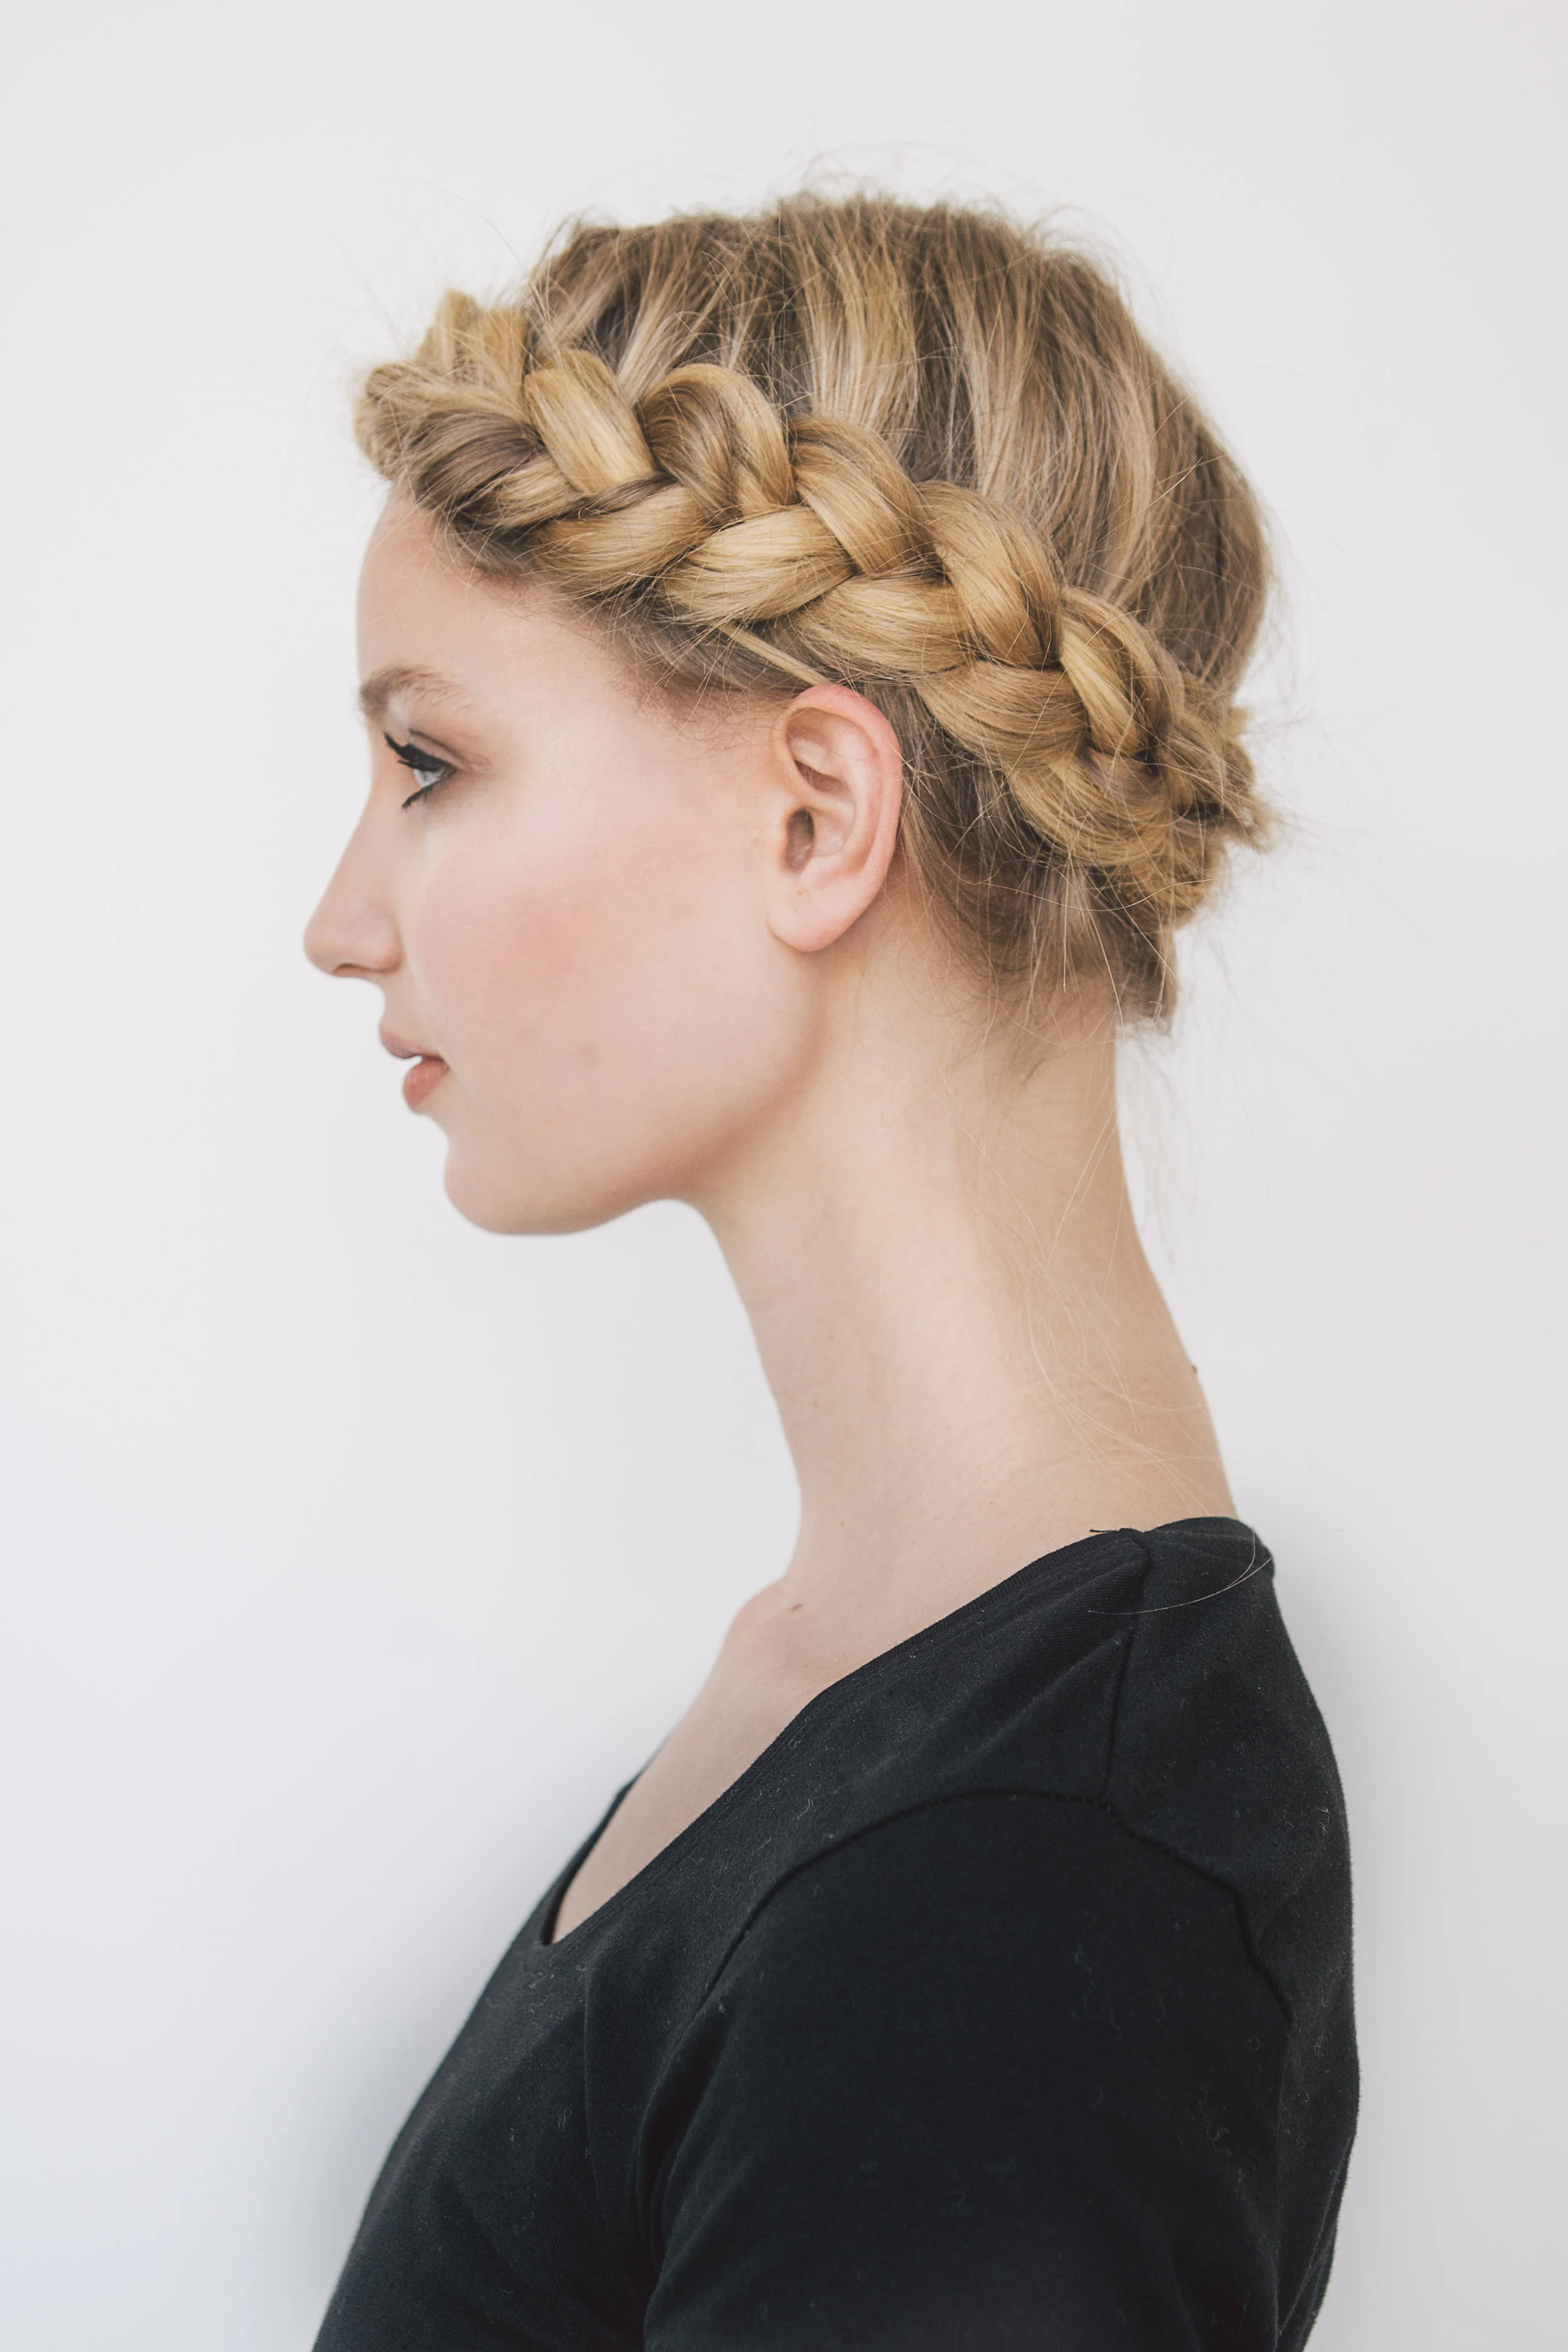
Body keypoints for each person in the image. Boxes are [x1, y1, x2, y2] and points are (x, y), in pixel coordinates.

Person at [304, 194, 1356, 2350]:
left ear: (815, 815)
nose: (342, 919)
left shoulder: (1024, 1892)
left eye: (429, 762)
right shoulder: (878, 1707)